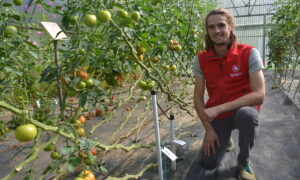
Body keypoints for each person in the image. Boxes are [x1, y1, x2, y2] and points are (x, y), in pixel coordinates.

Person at [193, 8, 265, 180]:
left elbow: (259, 95)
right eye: (211, 27)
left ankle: (243, 161)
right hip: (220, 117)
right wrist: (208, 130)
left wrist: (218, 108)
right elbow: (197, 97)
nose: (217, 31)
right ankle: (225, 139)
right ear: (207, 31)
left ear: (231, 27)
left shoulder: (248, 53)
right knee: (209, 163)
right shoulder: (201, 59)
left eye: (221, 25)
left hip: (241, 112)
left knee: (247, 114)